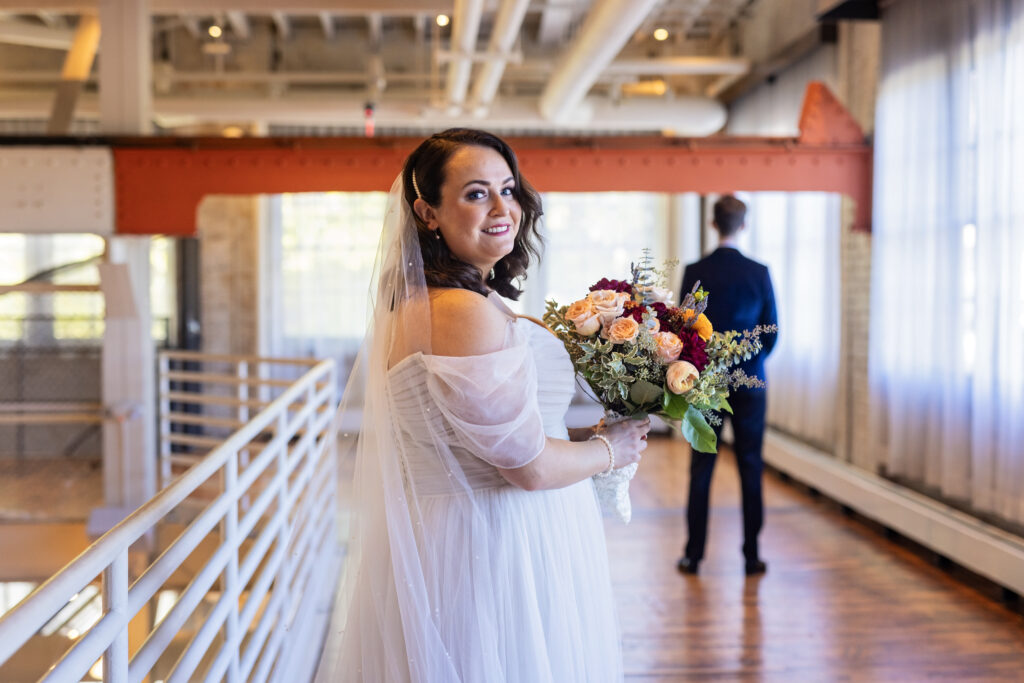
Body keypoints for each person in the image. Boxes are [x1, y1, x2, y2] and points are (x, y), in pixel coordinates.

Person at [318, 128, 651, 682]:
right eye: (476, 194)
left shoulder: (450, 302)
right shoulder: (459, 311)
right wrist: (609, 449)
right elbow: (528, 466)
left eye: (508, 189)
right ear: (427, 213)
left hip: (484, 531)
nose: (502, 208)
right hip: (491, 543)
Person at [676, 195, 777, 577]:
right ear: (744, 224)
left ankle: (693, 555)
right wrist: (748, 363)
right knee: (751, 466)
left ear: (713, 224)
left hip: (706, 384)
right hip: (752, 384)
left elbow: (685, 328)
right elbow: (772, 331)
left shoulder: (696, 270)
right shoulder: (760, 271)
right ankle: (752, 556)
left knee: (701, 468)